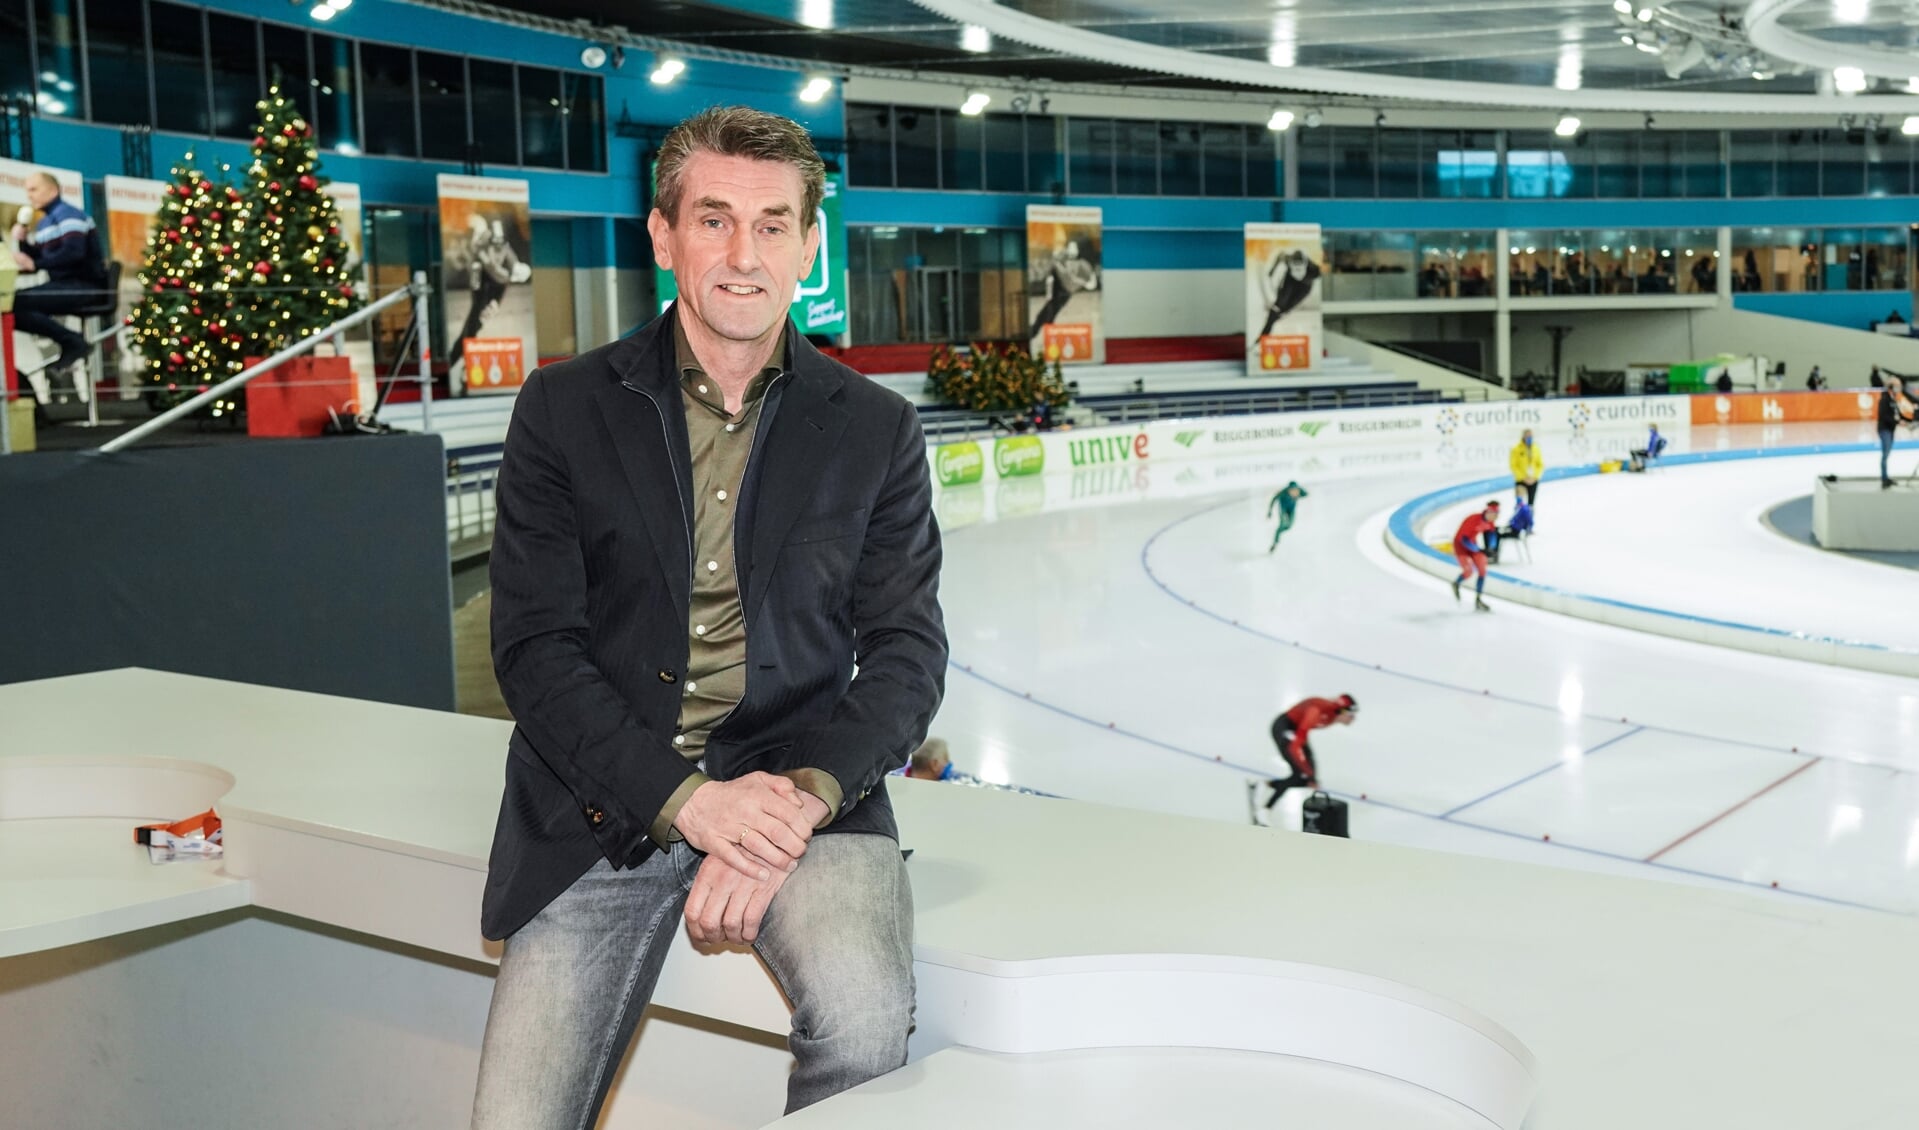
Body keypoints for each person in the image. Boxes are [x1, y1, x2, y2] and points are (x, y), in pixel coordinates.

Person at [472, 106, 947, 1127]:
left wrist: (799, 799)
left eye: (773, 224)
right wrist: (689, 800)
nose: (744, 253)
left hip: (797, 796)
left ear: (809, 243)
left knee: (865, 1018)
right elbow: (534, 650)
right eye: (714, 219)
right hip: (603, 797)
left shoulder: (875, 429)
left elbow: (906, 654)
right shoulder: (561, 409)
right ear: (663, 234)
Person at [8, 170, 108, 381]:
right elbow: (42, 258)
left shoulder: (68, 214)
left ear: (52, 190)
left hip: (84, 286)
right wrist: (24, 242)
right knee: (11, 303)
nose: (29, 195)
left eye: (34, 189)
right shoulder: (45, 223)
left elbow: (73, 253)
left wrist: (36, 262)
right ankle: (70, 340)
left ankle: (72, 341)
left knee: (15, 302)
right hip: (65, 285)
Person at [1255, 694, 1357, 825]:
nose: (1353, 719)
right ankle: (1265, 809)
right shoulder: (1317, 712)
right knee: (1300, 775)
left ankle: (1265, 785)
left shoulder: (1332, 715)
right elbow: (1294, 747)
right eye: (1351, 715)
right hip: (1283, 728)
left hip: (1295, 730)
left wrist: (1313, 776)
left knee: (1307, 781)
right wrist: (1308, 773)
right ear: (1342, 711)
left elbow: (1307, 748)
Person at [1031, 236, 1098, 331]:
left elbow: (1090, 281)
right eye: (1070, 247)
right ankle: (1040, 328)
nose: (1072, 250)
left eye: (1074, 247)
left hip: (1065, 290)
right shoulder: (1062, 258)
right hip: (1060, 286)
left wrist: (1083, 283)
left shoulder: (1082, 264)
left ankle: (1041, 329)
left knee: (1051, 310)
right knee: (1050, 310)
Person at [1259, 249, 1321, 338]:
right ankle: (1264, 334)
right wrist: (1272, 270)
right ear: (1291, 263)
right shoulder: (1287, 259)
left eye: (1299, 268)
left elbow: (1321, 271)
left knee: (1286, 308)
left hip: (1304, 286)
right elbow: (1280, 256)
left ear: (1305, 264)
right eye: (1295, 267)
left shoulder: (1313, 269)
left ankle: (1272, 321)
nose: (1297, 270)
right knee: (1278, 306)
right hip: (1290, 281)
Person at [1451, 500, 1500, 613]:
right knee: (1468, 571)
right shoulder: (1474, 519)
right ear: (1488, 512)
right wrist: (1479, 549)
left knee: (1483, 570)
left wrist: (1491, 549)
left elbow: (1492, 535)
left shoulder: (1490, 522)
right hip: (1461, 546)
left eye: (1497, 515)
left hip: (1473, 545)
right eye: (1494, 515)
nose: (1495, 518)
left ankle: (1478, 599)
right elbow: (1463, 539)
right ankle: (1456, 583)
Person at [1878, 374, 1915, 488]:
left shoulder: (1893, 399)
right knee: (1885, 455)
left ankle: (1886, 477)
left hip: (1890, 429)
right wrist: (1898, 423)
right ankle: (1884, 478)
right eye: (1897, 386)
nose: (1899, 388)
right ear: (1890, 386)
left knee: (1887, 454)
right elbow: (1885, 416)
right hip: (1885, 430)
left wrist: (1909, 421)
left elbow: (1898, 415)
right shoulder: (1884, 399)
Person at [1266, 480, 1308, 553]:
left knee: (1289, 526)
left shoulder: (1299, 490)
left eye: (1295, 490)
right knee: (1282, 524)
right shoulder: (1283, 492)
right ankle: (1276, 541)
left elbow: (1306, 494)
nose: (1294, 492)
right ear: (1288, 489)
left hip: (1292, 510)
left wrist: (1299, 494)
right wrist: (1270, 511)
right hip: (1283, 510)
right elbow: (1273, 499)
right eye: (1292, 490)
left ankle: (1279, 531)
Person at [1509, 429, 1544, 507]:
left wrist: (1535, 477)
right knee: (1519, 503)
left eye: (1531, 436)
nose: (1529, 438)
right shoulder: (1516, 449)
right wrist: (1523, 478)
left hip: (1533, 480)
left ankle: (1530, 516)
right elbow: (1513, 465)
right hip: (1521, 480)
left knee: (1531, 503)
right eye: (1527, 436)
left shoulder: (1536, 448)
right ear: (1523, 436)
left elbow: (1540, 464)